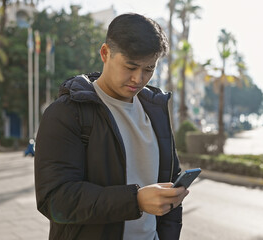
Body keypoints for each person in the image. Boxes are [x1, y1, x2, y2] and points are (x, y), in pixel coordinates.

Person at [34, 13, 189, 240]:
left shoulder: (156, 111)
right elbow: (55, 199)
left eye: (148, 69)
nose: (138, 78)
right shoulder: (67, 113)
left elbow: (169, 182)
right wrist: (135, 200)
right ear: (105, 53)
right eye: (130, 66)